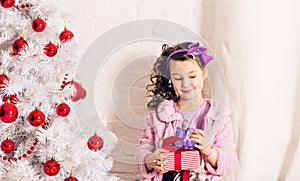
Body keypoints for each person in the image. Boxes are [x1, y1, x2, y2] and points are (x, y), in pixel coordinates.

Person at [135, 42, 238, 181]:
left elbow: (231, 163)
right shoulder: (160, 114)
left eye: (192, 76)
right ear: (171, 80)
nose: (186, 84)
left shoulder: (218, 116)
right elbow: (142, 151)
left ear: (204, 74)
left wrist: (209, 150)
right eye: (178, 78)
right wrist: (152, 159)